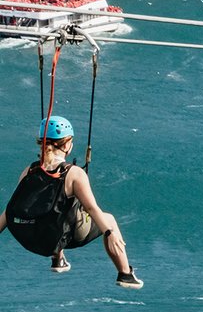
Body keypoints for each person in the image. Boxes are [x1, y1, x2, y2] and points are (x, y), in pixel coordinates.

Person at [0, 116, 142, 288]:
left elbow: (13, 208)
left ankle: (58, 260)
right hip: (55, 238)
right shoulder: (74, 173)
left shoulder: (30, 170)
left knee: (52, 206)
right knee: (108, 218)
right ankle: (125, 274)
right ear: (67, 145)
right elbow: (91, 208)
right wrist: (109, 233)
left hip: (28, 238)